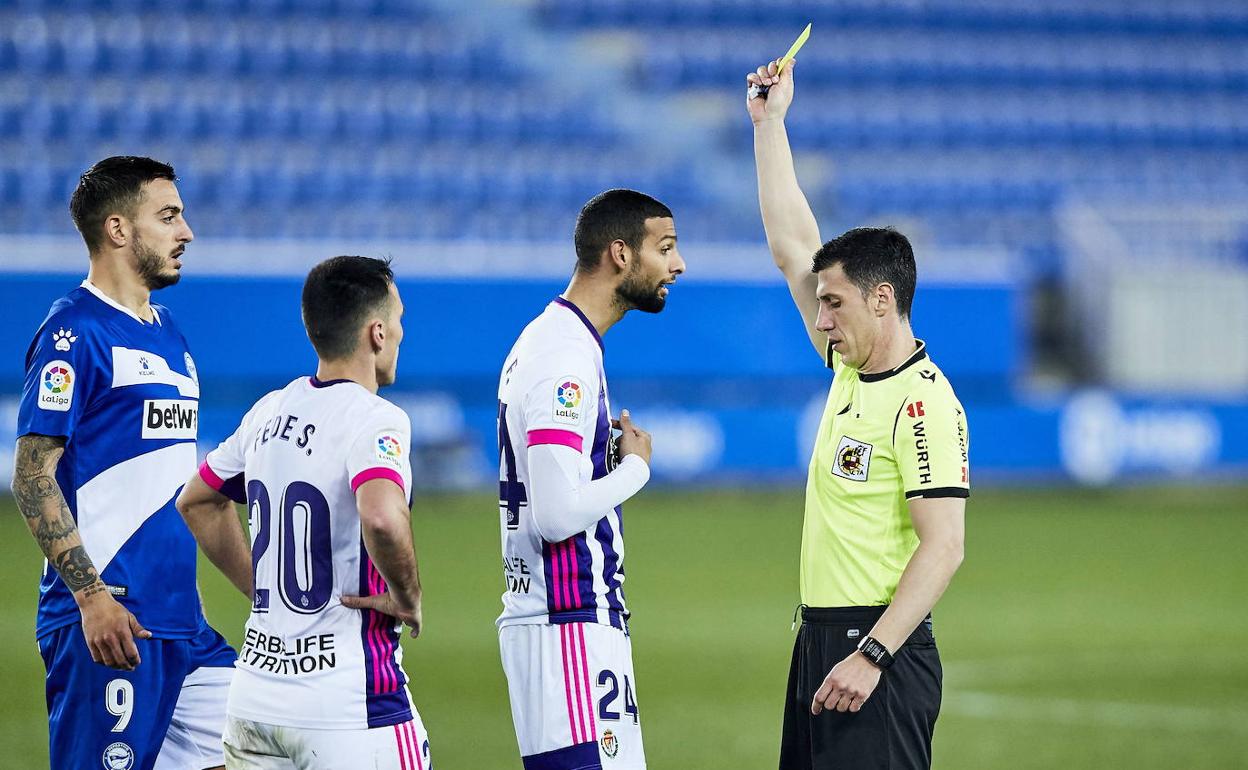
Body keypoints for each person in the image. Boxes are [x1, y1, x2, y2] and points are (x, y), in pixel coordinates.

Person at [747, 60, 970, 769]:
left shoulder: (923, 401)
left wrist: (872, 654)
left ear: (882, 300)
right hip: (818, 640)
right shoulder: (850, 368)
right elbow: (790, 247)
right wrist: (770, 125)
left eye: (833, 303)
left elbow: (945, 545)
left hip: (877, 653)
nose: (819, 318)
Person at [10, 156, 235, 770]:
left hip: (184, 629)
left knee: (264, 748)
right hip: (111, 627)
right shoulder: (73, 335)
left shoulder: (170, 335)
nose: (186, 232)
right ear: (117, 230)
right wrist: (90, 599)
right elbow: (32, 477)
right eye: (168, 216)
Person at [176, 255, 430, 769]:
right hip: (349, 705)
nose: (403, 331)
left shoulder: (268, 411)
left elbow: (198, 500)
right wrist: (407, 595)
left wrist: (262, 590)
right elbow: (380, 516)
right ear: (377, 332)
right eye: (399, 319)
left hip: (255, 697)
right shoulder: (376, 419)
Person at [495, 189, 684, 769]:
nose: (678, 265)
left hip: (558, 626)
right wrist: (636, 469)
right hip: (569, 625)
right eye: (666, 248)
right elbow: (555, 518)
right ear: (621, 254)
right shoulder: (563, 356)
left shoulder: (554, 339)